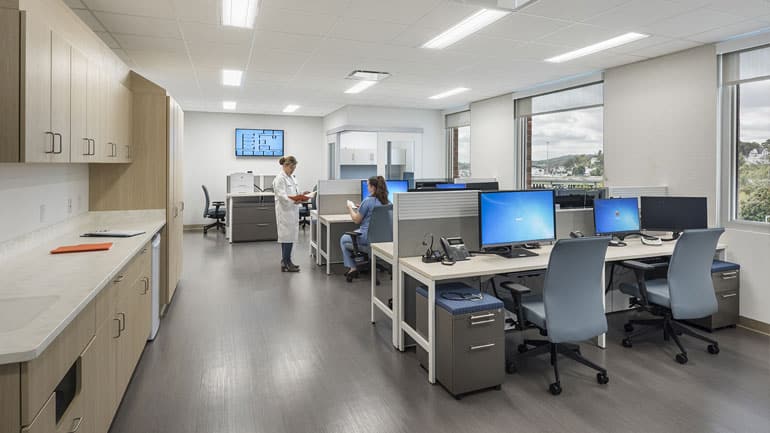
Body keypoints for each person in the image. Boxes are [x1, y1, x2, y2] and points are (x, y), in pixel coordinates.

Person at [340, 176, 389, 282]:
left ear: (373, 187)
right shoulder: (387, 202)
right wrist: (361, 208)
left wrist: (350, 208)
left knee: (343, 239)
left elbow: (356, 220)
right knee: (355, 234)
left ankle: (353, 268)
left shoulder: (367, 201)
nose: (367, 187)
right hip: (383, 238)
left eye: (368, 185)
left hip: (367, 238)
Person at [273, 156, 309, 272]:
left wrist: (302, 195)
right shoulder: (280, 179)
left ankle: (286, 261)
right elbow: (282, 196)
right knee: (286, 237)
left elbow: (294, 192)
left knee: (289, 237)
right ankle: (287, 262)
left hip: (292, 211)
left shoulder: (292, 177)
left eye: (294, 168)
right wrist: (295, 200)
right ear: (285, 166)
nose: (293, 170)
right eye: (291, 168)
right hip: (285, 212)